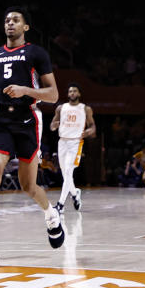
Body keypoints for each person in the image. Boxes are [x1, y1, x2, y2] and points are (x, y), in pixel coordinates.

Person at [0, 7, 63, 266]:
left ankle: (51, 215)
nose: (10, 23)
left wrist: (25, 90)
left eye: (16, 20)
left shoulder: (35, 53)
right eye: (7, 19)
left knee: (28, 186)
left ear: (26, 27)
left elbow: (53, 95)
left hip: (27, 121)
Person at [50, 83, 96, 214]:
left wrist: (88, 132)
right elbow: (52, 125)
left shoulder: (85, 109)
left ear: (79, 94)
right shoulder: (61, 108)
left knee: (69, 171)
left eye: (75, 91)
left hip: (75, 142)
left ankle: (60, 204)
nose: (72, 93)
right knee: (65, 174)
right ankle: (75, 194)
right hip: (62, 141)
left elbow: (93, 126)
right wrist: (54, 125)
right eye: (70, 91)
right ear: (68, 94)